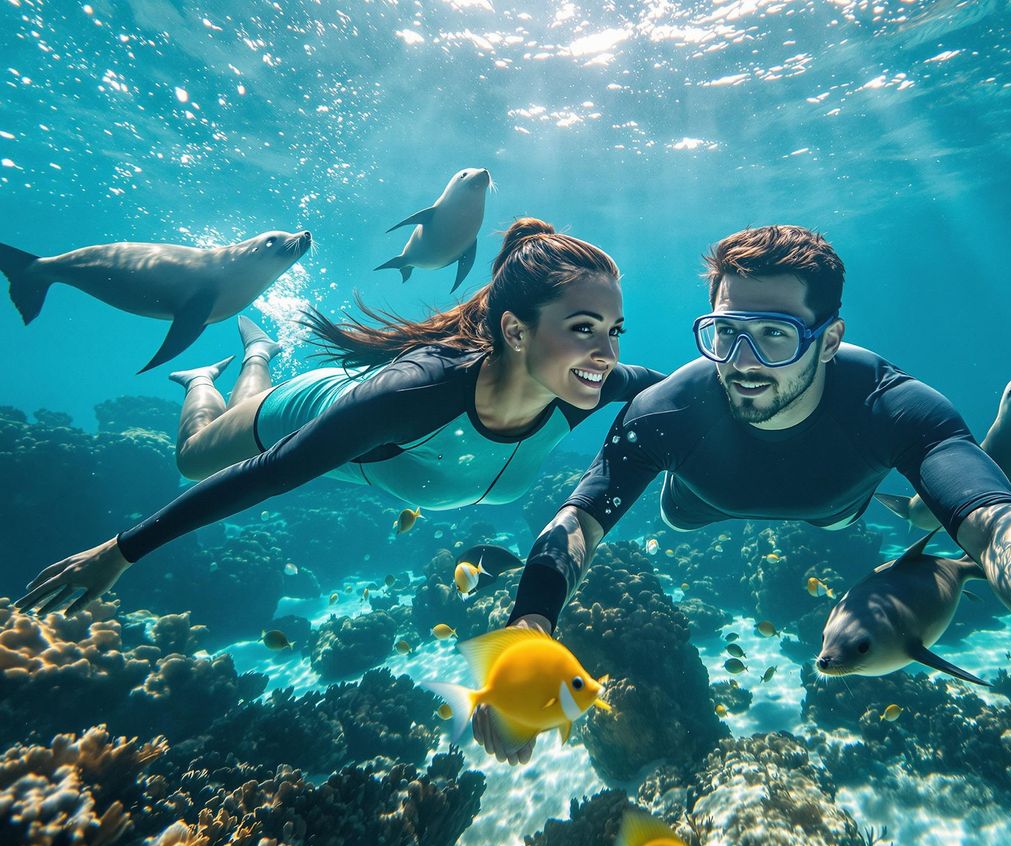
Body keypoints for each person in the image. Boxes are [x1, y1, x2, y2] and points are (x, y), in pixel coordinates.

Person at [479, 225, 1011, 776]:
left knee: (841, 508)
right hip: (697, 500)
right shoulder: (668, 410)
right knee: (680, 505)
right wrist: (530, 623)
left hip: (833, 504)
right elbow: (577, 522)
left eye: (776, 336)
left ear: (830, 340)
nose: (745, 362)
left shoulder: (892, 406)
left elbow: (998, 521)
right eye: (726, 334)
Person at [16, 218, 664, 616]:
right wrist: (122, 551)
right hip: (315, 408)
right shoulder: (416, 395)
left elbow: (686, 394)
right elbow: (272, 474)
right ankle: (237, 366)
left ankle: (256, 356)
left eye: (615, 330)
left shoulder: (593, 386)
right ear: (517, 333)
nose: (608, 354)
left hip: (364, 425)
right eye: (584, 329)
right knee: (194, 456)